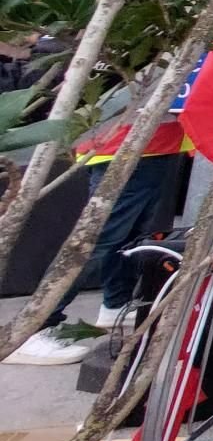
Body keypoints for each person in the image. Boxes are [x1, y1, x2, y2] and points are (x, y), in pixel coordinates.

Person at [6, 113, 191, 366]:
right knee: (94, 242)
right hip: (126, 142)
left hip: (153, 142)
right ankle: (30, 331)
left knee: (128, 238)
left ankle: (117, 303)